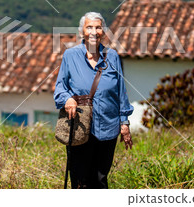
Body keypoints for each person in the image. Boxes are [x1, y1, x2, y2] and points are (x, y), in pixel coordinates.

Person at [54, 11, 134, 189]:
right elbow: (60, 87)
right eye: (89, 27)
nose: (93, 31)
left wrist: (124, 122)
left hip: (107, 126)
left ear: (103, 31)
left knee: (100, 179)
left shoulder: (112, 56)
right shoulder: (71, 56)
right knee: (80, 180)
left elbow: (121, 91)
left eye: (98, 27)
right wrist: (67, 99)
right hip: (80, 126)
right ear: (82, 31)